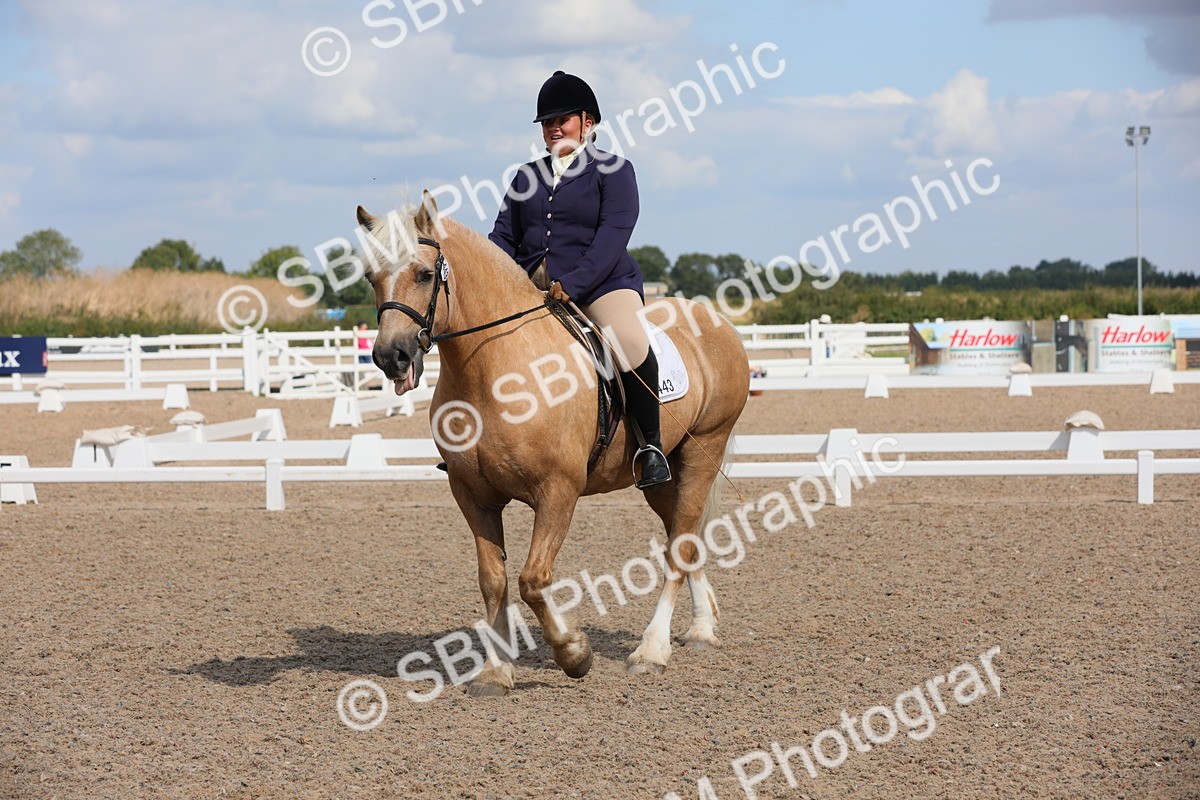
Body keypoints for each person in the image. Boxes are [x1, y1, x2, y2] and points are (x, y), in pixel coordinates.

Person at [489, 70, 670, 489]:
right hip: (532, 288)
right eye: (547, 123)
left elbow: (612, 237)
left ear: (588, 122)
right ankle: (481, 448)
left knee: (627, 339)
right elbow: (502, 236)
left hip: (601, 284)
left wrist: (573, 284)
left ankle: (651, 445)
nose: (553, 129)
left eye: (562, 120)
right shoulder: (525, 176)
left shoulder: (614, 171)